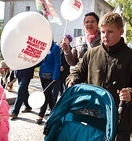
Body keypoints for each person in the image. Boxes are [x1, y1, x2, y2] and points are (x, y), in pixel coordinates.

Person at [65, 12, 132, 141]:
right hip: (94, 116)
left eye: (110, 32)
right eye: (102, 32)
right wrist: (72, 80)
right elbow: (77, 72)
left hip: (121, 120)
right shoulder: (92, 54)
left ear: (121, 31)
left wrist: (130, 93)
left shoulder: (130, 56)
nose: (105, 36)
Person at [37, 40, 61, 124]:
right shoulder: (42, 47)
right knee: (49, 95)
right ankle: (55, 111)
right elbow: (39, 61)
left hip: (51, 76)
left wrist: (55, 76)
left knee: (45, 94)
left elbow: (57, 63)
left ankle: (41, 115)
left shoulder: (55, 47)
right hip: (42, 74)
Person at [52, 34, 72, 103]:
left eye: (65, 38)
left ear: (69, 41)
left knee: (65, 90)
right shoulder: (59, 49)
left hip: (66, 74)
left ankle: (65, 105)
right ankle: (52, 107)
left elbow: (71, 61)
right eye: (63, 37)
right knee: (55, 90)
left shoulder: (71, 50)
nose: (64, 39)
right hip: (58, 73)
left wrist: (64, 67)